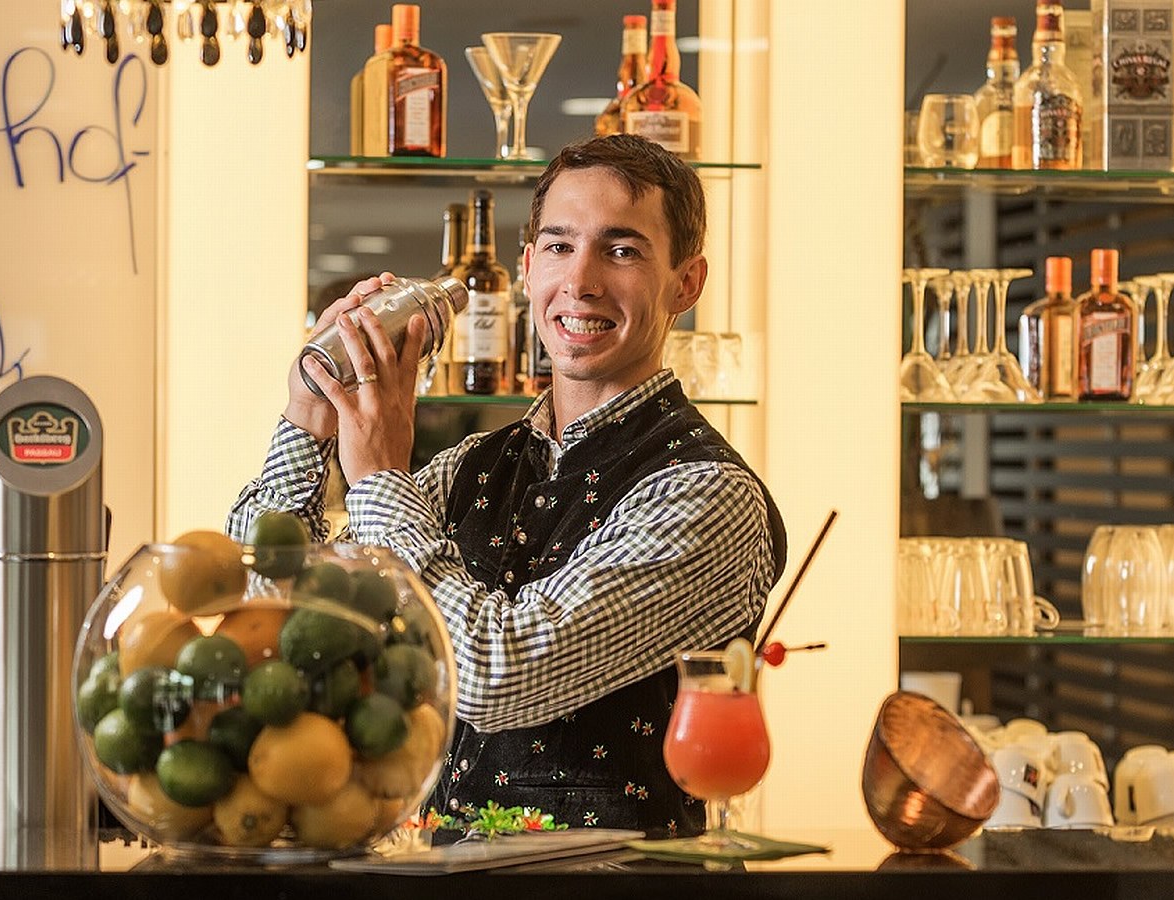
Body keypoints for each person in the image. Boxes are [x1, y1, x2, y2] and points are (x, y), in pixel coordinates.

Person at [228, 134, 786, 838]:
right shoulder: (472, 467)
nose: (579, 281)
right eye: (558, 246)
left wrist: (380, 477)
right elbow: (270, 607)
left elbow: (498, 676)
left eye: (621, 250)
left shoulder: (707, 495)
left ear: (687, 282)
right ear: (526, 268)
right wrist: (306, 419)